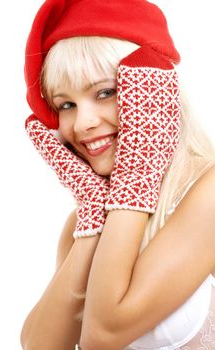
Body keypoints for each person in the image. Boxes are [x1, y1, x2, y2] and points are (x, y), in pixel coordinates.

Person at [20, 0, 215, 349]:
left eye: (105, 92)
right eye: (66, 105)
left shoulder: (208, 191)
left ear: (155, 96)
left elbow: (103, 335)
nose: (82, 123)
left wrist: (136, 175)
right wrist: (95, 210)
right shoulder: (86, 220)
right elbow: (42, 345)